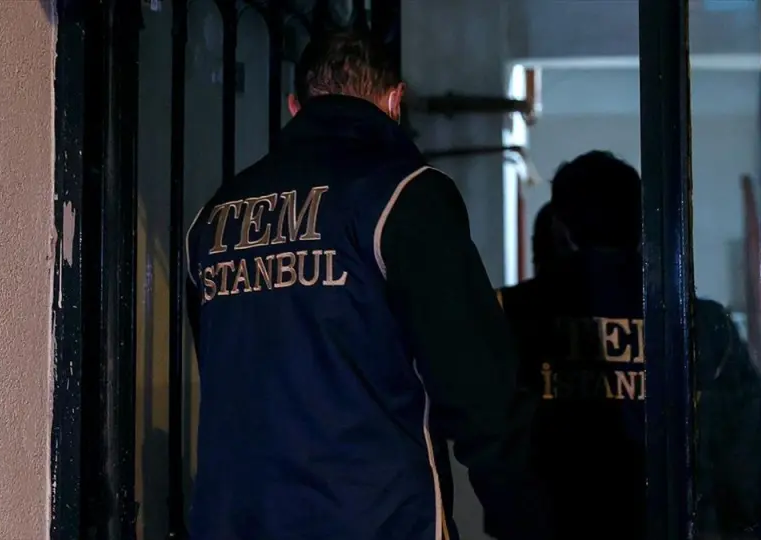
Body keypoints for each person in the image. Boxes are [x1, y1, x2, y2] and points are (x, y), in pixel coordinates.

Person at [184, 29, 546, 540]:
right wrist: (522, 516)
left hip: (235, 521)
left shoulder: (214, 219)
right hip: (375, 520)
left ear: (295, 107)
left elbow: (226, 373)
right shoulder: (404, 196)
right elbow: (477, 388)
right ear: (395, 101)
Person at [497, 151, 761, 539]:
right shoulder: (700, 324)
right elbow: (745, 453)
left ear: (560, 226)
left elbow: (488, 433)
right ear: (643, 225)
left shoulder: (512, 316)